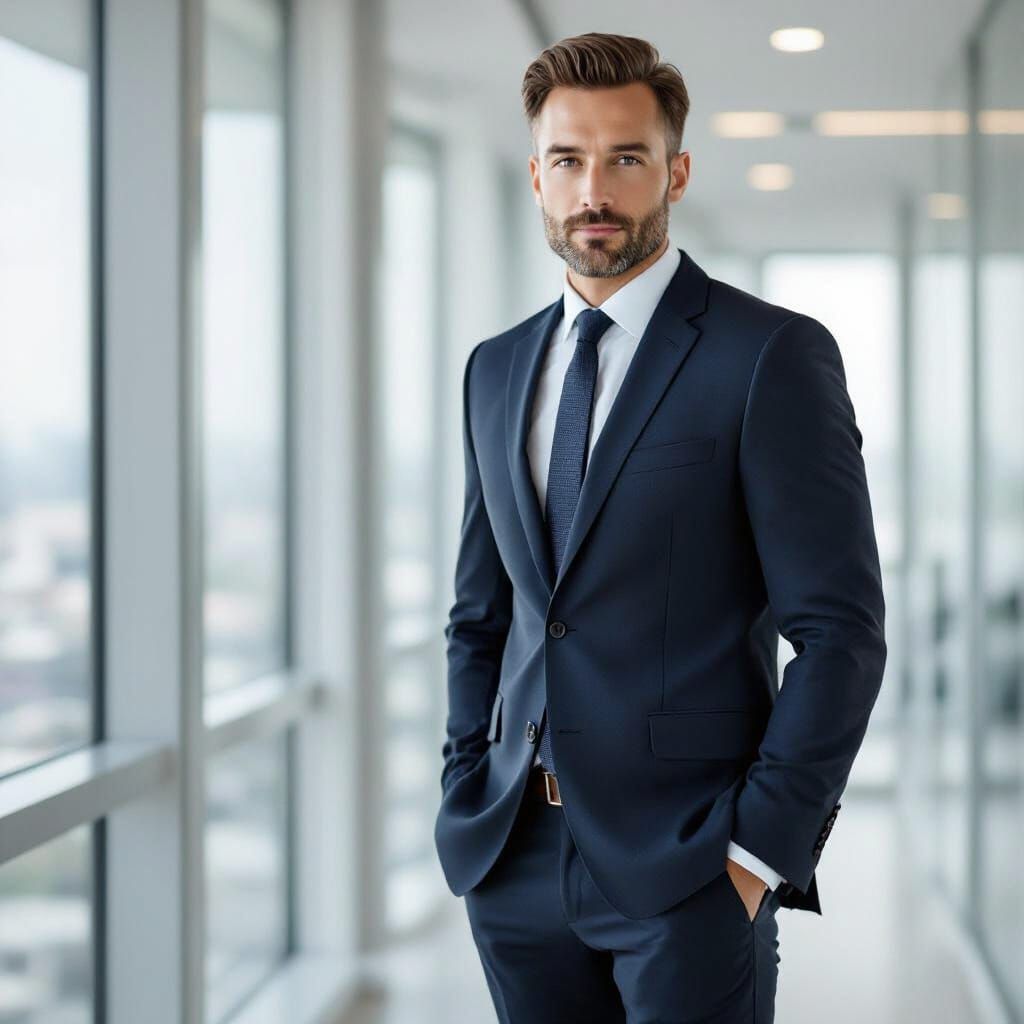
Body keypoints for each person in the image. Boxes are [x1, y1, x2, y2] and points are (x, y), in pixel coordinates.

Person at [433, 30, 886, 1024]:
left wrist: (756, 852)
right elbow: (482, 614)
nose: (593, 189)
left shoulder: (767, 355)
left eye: (625, 158)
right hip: (511, 859)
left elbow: (840, 633)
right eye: (567, 159)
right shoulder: (494, 369)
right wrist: (466, 778)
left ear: (675, 172)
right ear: (536, 176)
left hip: (690, 868)